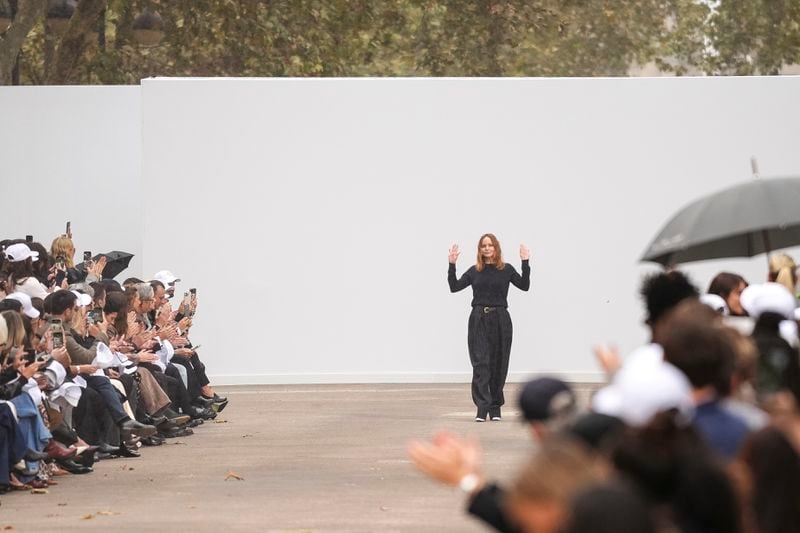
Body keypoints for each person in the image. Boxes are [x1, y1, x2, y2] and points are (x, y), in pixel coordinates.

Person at [448, 234, 530, 421]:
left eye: (490, 245)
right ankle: (481, 408)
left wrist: (525, 262)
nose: (486, 248)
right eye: (483, 245)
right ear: (480, 249)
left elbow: (524, 286)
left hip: (501, 318)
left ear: (496, 248)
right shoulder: (475, 271)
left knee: (499, 364)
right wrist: (452, 265)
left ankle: (495, 408)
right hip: (479, 319)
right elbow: (454, 287)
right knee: (481, 365)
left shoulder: (506, 269)